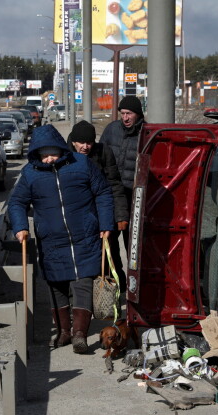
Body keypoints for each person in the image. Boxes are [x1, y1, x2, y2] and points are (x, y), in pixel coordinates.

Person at [8, 125, 115, 354]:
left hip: (85, 235)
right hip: (52, 240)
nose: (48, 159)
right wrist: (20, 227)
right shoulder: (30, 173)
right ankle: (64, 331)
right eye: (43, 154)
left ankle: (79, 334)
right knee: (56, 285)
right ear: (36, 154)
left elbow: (103, 192)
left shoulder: (81, 164)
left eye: (52, 153)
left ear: (60, 149)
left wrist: (106, 223)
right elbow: (16, 202)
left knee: (83, 282)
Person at [66, 120, 129, 291]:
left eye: (90, 142)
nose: (86, 147)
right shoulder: (64, 155)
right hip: (78, 217)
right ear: (73, 141)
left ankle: (112, 294)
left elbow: (115, 184)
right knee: (81, 259)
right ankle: (80, 297)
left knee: (110, 256)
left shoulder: (103, 152)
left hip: (103, 215)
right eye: (81, 143)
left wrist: (121, 215)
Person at [99, 95, 145, 288]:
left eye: (129, 114)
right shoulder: (112, 130)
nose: (125, 118)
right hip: (111, 194)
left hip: (134, 197)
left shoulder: (146, 133)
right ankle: (117, 280)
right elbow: (99, 154)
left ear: (138, 114)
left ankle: (136, 284)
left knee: (132, 244)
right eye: (123, 113)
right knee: (109, 241)